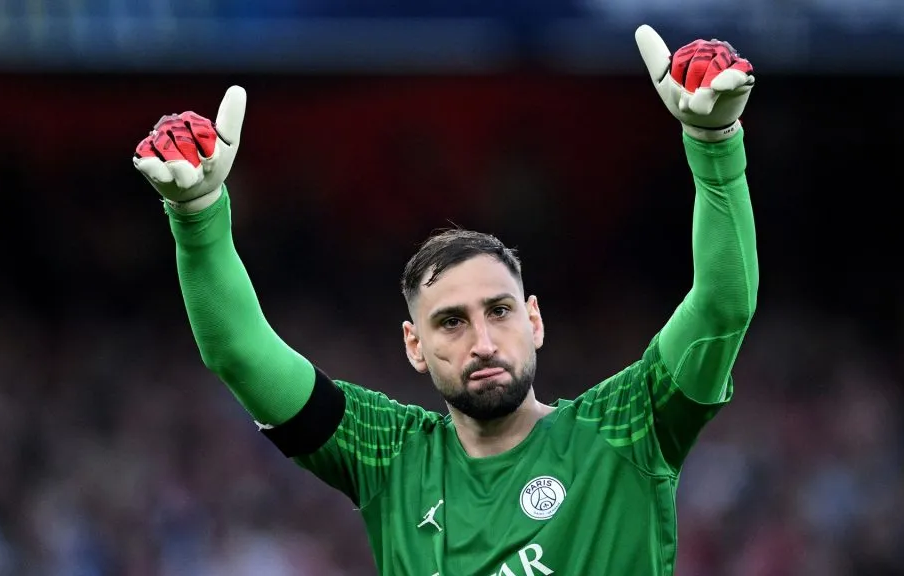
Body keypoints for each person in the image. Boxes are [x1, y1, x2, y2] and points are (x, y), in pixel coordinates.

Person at [132, 25, 759, 576]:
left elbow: (722, 307)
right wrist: (198, 217)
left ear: (535, 320)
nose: (482, 342)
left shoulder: (627, 428)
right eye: (451, 322)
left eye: (500, 310)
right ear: (415, 345)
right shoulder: (389, 456)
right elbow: (240, 353)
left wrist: (714, 144)